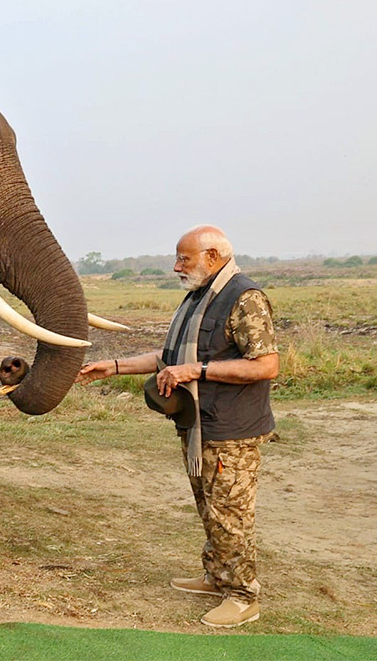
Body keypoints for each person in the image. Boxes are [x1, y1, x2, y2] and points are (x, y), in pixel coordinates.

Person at [76, 225, 279, 628]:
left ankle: (242, 596)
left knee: (229, 514)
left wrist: (197, 370)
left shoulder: (245, 299)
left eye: (184, 258)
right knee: (209, 507)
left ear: (214, 256)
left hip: (231, 430)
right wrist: (112, 368)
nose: (176, 266)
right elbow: (168, 357)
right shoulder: (199, 298)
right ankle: (216, 576)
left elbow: (266, 365)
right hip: (198, 425)